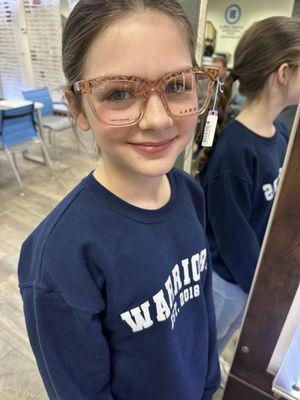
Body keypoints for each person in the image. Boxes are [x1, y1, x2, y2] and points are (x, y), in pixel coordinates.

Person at [18, 1, 221, 399]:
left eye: (176, 85)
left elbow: (200, 312)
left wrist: (209, 383)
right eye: (119, 93)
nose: (158, 119)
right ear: (77, 106)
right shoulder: (61, 258)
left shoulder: (189, 193)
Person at [196, 16, 300, 356]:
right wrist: (264, 291)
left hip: (247, 284)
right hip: (227, 285)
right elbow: (233, 242)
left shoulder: (279, 134)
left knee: (215, 351)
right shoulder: (235, 154)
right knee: (202, 356)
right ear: (284, 73)